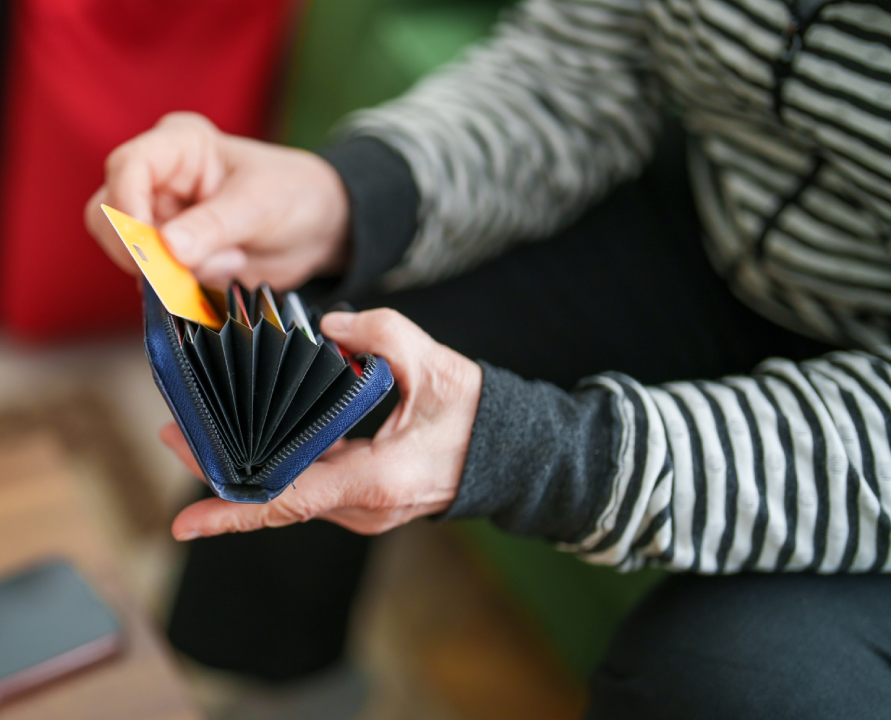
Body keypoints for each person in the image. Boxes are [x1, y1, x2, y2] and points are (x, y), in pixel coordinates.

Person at [84, 0, 891, 716]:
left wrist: (535, 452)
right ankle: (277, 689)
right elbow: (586, 60)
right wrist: (348, 197)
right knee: (308, 365)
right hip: (714, 223)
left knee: (730, 682)